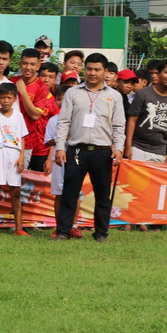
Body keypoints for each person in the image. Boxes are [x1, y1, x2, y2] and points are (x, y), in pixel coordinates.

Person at [54, 53, 125, 243]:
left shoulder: (114, 96)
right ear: (85, 69)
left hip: (102, 152)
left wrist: (118, 148)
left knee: (103, 195)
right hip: (76, 149)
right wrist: (60, 147)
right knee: (70, 192)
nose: (92, 73)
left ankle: (101, 233)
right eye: (90, 69)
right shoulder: (73, 92)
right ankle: (63, 231)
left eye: (97, 69)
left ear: (106, 71)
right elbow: (63, 122)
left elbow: (119, 125)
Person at [0, 83, 29, 236]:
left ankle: (19, 227)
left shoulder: (18, 116)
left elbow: (22, 137)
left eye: (9, 97)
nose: (6, 101)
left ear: (14, 99)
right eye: (3, 97)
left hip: (14, 155)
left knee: (15, 191)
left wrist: (22, 157)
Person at [43, 86, 83, 240]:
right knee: (59, 194)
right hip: (59, 161)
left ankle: (73, 226)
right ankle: (59, 227)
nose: (62, 102)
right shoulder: (54, 120)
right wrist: (62, 138)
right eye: (59, 99)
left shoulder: (80, 118)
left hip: (77, 158)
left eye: (65, 98)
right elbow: (47, 142)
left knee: (76, 194)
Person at [125, 59, 167, 163]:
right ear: (158, 74)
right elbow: (132, 120)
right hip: (137, 149)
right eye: (166, 72)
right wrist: (128, 146)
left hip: (159, 153)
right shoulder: (143, 94)